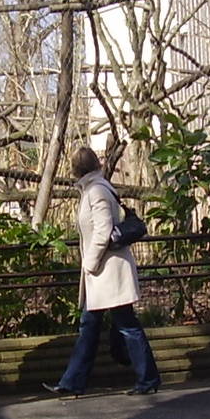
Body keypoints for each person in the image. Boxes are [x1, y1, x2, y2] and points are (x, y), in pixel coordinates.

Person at [44, 146, 163, 399]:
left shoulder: (95, 191)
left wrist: (90, 263)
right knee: (92, 326)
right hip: (104, 274)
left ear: (76, 170)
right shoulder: (97, 188)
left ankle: (147, 377)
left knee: (125, 325)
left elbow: (103, 231)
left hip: (106, 272)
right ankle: (73, 382)